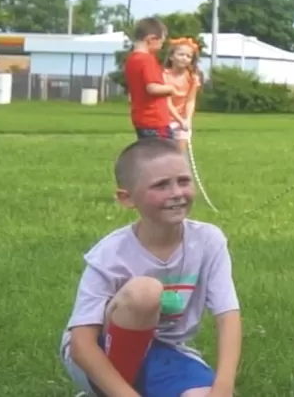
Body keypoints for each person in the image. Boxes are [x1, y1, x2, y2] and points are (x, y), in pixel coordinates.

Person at [60, 137, 242, 397]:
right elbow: (81, 345)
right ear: (127, 198)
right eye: (161, 185)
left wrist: (223, 388)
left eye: (183, 181)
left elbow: (228, 316)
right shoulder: (111, 253)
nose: (177, 193)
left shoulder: (209, 241)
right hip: (101, 356)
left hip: (165, 351)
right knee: (145, 293)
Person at [125, 18, 185, 140]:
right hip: (155, 120)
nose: (161, 47)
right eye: (161, 42)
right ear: (151, 39)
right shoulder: (147, 60)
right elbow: (152, 88)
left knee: (148, 155)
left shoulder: (131, 60)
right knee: (165, 156)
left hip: (140, 119)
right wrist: (172, 89)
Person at [161, 38, 204, 151]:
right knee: (165, 153)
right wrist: (180, 120)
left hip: (182, 121)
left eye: (188, 56)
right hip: (164, 120)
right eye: (181, 54)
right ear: (171, 56)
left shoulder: (192, 78)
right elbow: (167, 102)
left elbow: (190, 100)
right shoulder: (163, 76)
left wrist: (187, 119)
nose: (184, 58)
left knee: (179, 154)